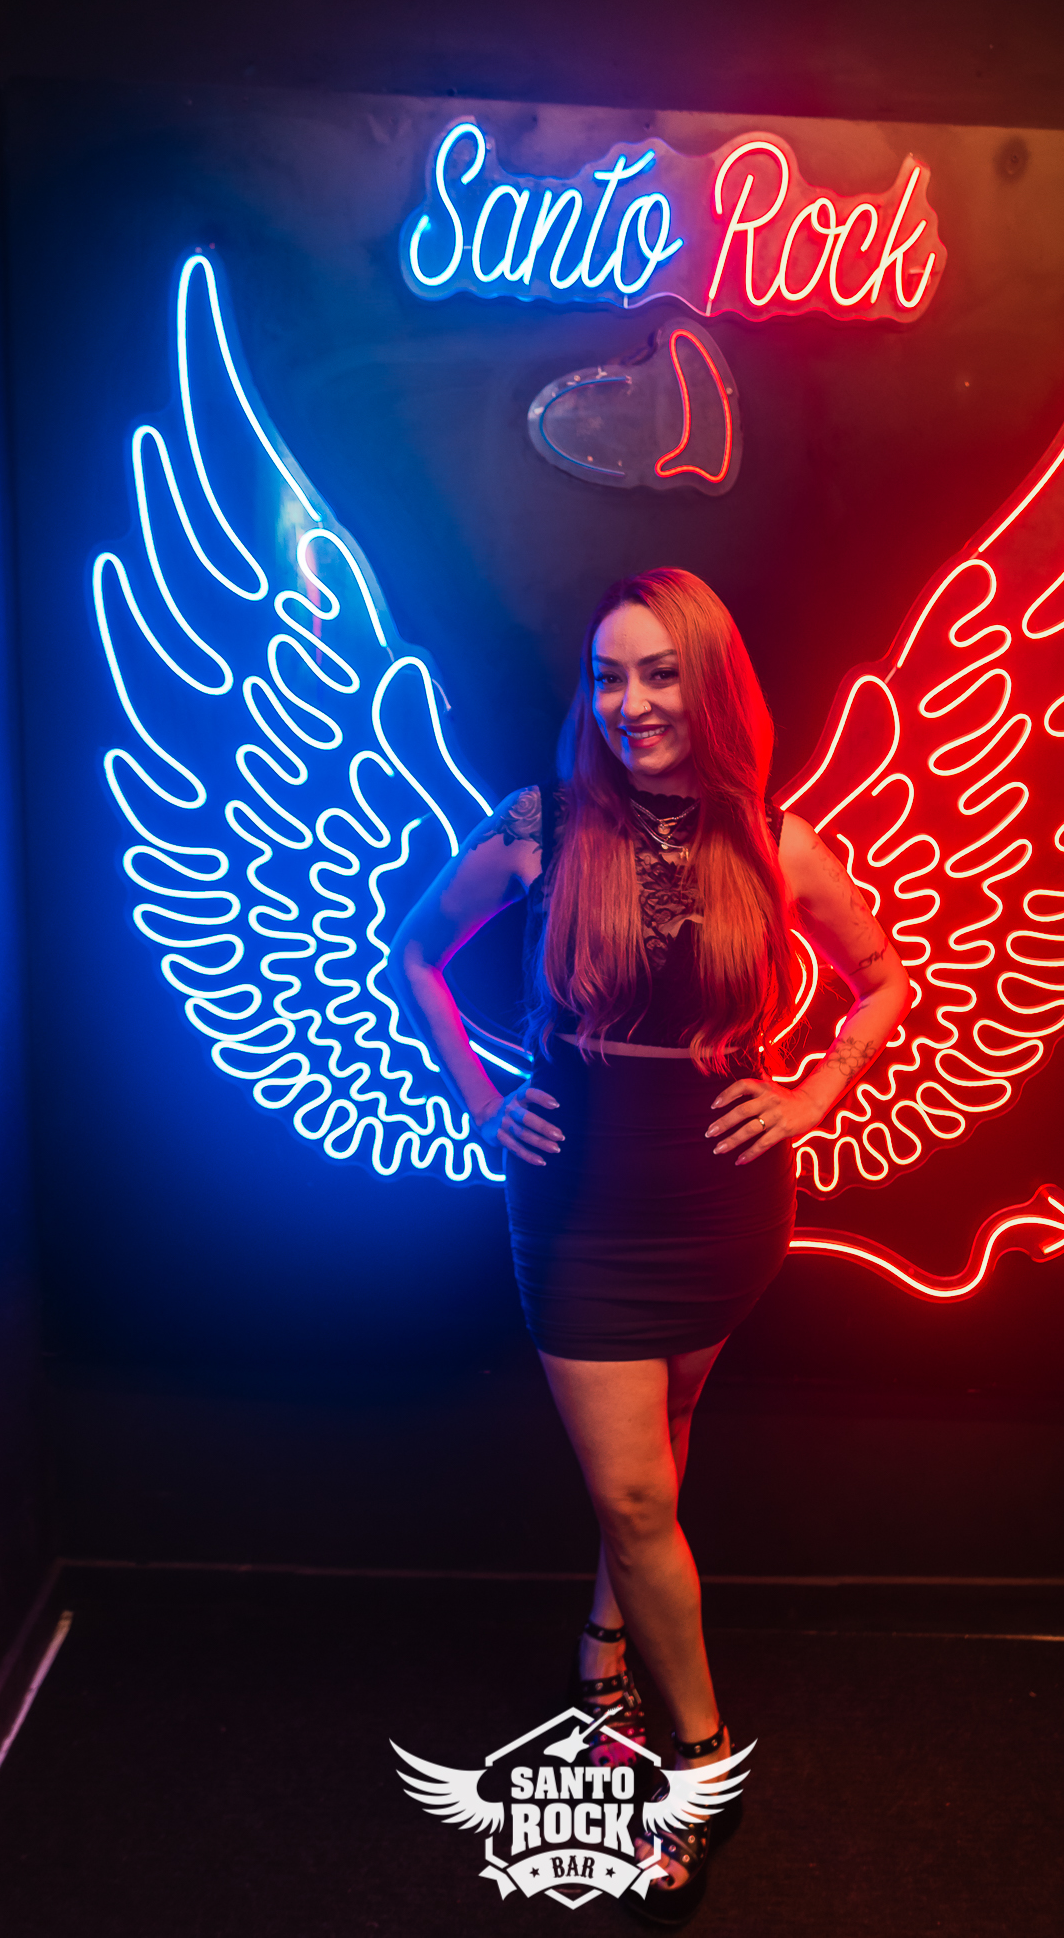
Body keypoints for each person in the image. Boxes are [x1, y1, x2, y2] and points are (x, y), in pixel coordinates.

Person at [392, 568, 910, 1921]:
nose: (630, 703)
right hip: (577, 1205)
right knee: (634, 1496)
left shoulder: (772, 840)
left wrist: (814, 1092)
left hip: (723, 1201)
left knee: (661, 1447)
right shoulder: (540, 827)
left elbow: (883, 979)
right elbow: (417, 953)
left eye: (659, 672)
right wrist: (480, 1097)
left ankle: (602, 1643)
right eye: (608, 676)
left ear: (710, 681)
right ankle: (700, 1757)